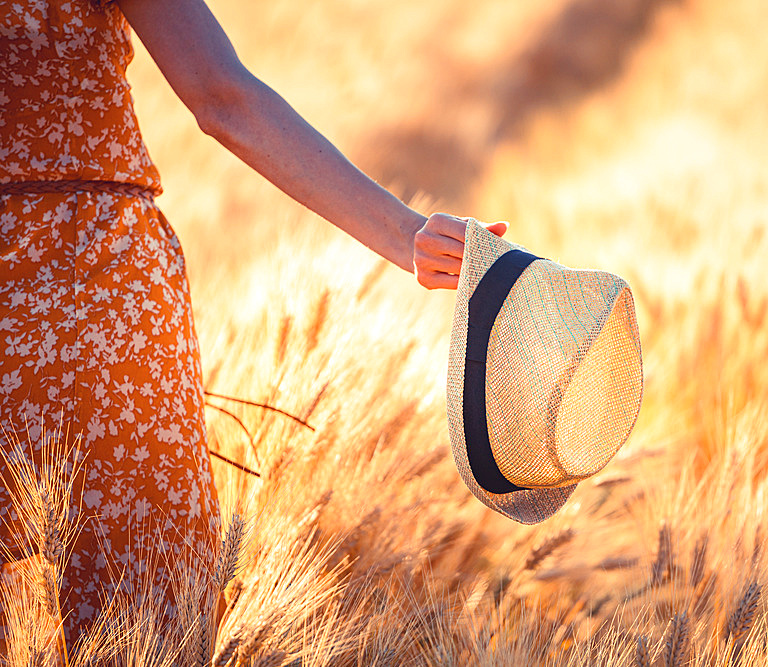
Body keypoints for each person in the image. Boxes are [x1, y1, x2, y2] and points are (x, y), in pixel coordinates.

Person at [0, 0, 507, 649]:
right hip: (101, 301)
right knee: (145, 631)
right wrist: (407, 235)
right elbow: (222, 98)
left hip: (88, 299)